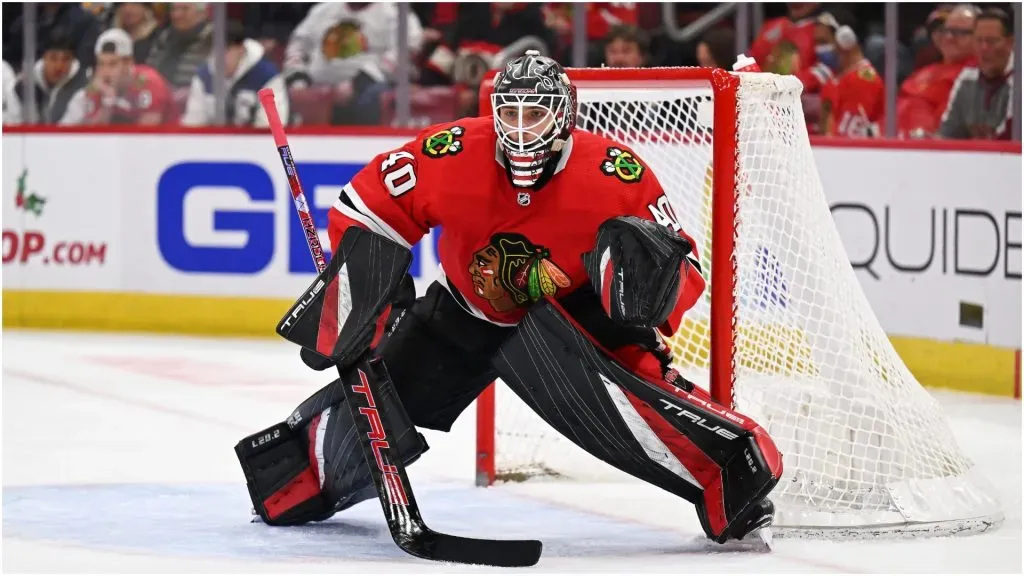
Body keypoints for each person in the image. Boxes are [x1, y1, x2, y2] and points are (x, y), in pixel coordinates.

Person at [234, 52, 782, 546]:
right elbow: (368, 207)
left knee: (636, 394)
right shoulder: (452, 152)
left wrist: (648, 295)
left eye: (535, 114)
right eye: (510, 113)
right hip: (467, 310)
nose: (520, 129)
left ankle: (731, 474)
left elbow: (682, 264)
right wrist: (361, 301)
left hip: (574, 314)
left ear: (563, 116)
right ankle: (295, 480)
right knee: (383, 397)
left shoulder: (614, 172)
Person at [180, 21, 289, 127]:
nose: (218, 58)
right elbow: (194, 124)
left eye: (224, 50)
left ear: (241, 49)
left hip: (254, 139)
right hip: (214, 139)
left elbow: (271, 128)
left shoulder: (267, 77)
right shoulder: (203, 77)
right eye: (213, 51)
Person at [898, 4, 978, 138]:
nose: (949, 37)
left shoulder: (975, 78)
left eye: (961, 33)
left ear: (979, 38)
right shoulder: (925, 70)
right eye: (946, 30)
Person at [67, 28, 173, 125]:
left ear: (128, 63)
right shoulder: (97, 87)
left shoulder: (149, 82)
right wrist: (108, 102)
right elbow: (92, 134)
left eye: (112, 64)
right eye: (101, 64)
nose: (105, 72)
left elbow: (146, 134)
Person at [938, 8, 1015, 140]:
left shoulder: (1018, 81)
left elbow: (1009, 139)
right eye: (979, 40)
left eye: (992, 41)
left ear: (1010, 42)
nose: (984, 48)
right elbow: (948, 134)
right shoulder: (966, 77)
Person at [816, 11, 885, 138]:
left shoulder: (863, 81)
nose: (819, 49)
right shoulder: (838, 79)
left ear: (846, 41)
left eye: (824, 42)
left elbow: (846, 138)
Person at [13, 28, 89, 125]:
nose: (59, 66)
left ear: (73, 60)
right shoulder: (25, 84)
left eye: (66, 59)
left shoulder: (84, 86)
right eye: (53, 58)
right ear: (43, 58)